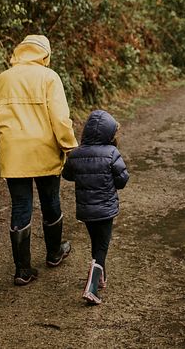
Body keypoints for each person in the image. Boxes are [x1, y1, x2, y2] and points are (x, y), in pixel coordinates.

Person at [0, 34, 78, 286]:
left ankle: (22, 270)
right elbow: (60, 117)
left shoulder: (1, 79)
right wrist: (70, 146)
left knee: (20, 205)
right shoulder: (49, 77)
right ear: (45, 54)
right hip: (44, 150)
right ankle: (54, 253)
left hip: (13, 152)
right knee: (50, 200)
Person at [62, 109, 129, 305]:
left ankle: (100, 278)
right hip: (105, 210)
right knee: (102, 245)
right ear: (108, 133)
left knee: (96, 242)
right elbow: (122, 179)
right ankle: (91, 288)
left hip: (86, 210)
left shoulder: (76, 154)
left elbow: (67, 175)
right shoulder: (111, 153)